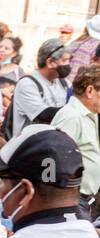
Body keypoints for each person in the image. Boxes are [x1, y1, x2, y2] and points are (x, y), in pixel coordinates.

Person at [53, 65, 100, 215]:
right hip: (71, 200)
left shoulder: (90, 115)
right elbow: (55, 159)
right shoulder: (71, 116)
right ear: (90, 91)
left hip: (82, 200)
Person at [10, 39, 71, 134]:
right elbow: (43, 115)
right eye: (64, 60)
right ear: (50, 62)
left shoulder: (63, 83)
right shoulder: (28, 84)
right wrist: (74, 111)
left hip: (53, 139)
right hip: (30, 143)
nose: (68, 64)